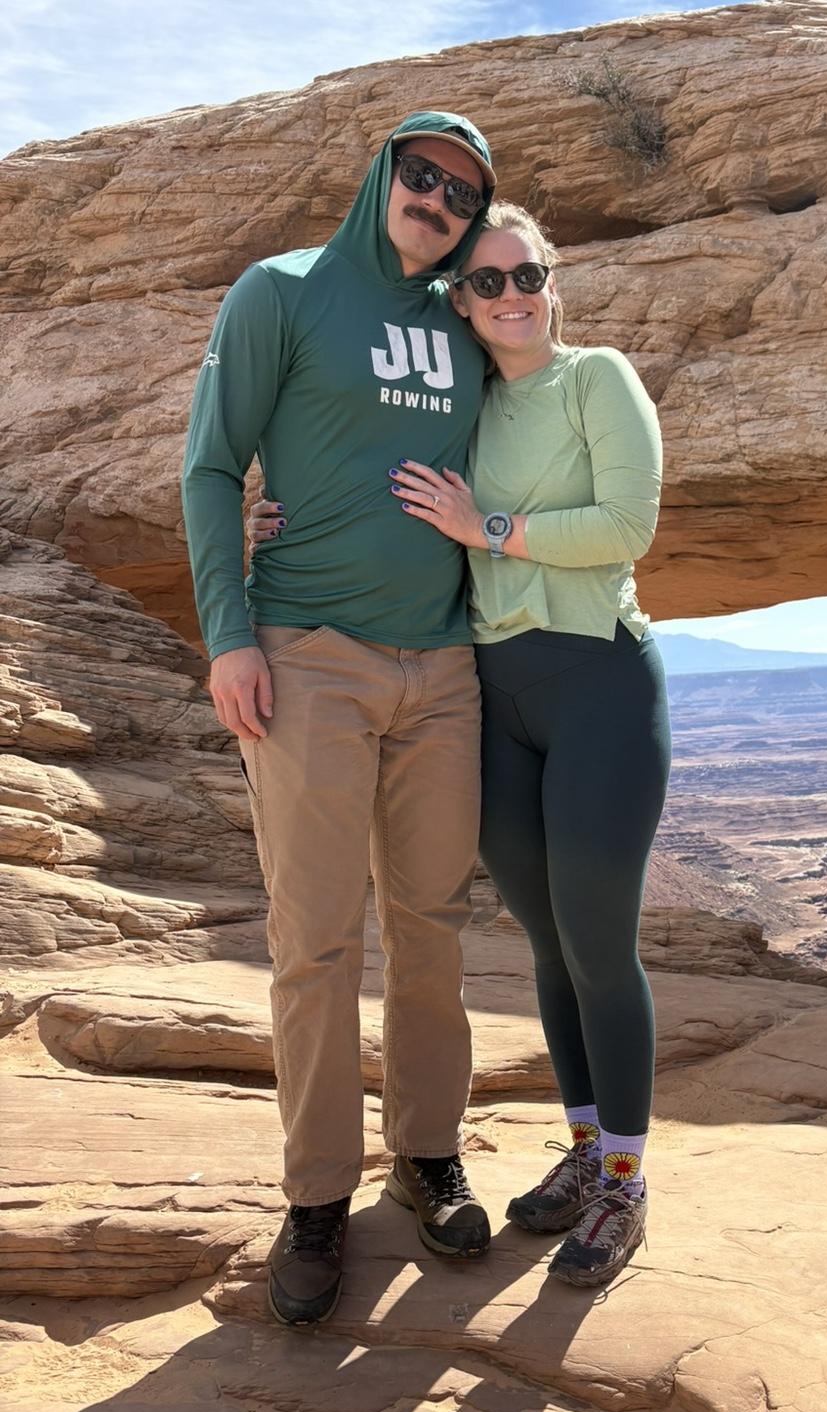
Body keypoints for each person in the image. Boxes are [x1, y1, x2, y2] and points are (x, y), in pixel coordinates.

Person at [250, 201, 668, 1288]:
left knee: (599, 941)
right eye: (485, 283)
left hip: (597, 686)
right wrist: (274, 516)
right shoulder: (465, 401)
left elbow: (626, 527)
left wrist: (487, 529)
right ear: (458, 304)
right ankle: (584, 1152)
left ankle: (624, 1184)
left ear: (551, 280)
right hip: (494, 694)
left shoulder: (596, 378)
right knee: (545, 941)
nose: (511, 296)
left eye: (526, 274)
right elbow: (372, 474)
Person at [182, 111, 501, 1329]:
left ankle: (427, 1155)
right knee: (314, 940)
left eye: (460, 192)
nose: (436, 199)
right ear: (383, 177)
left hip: (444, 671)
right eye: (421, 176)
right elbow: (213, 468)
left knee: (430, 925)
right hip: (308, 659)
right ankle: (317, 1196)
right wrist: (227, 633)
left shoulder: (464, 320)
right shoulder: (284, 292)